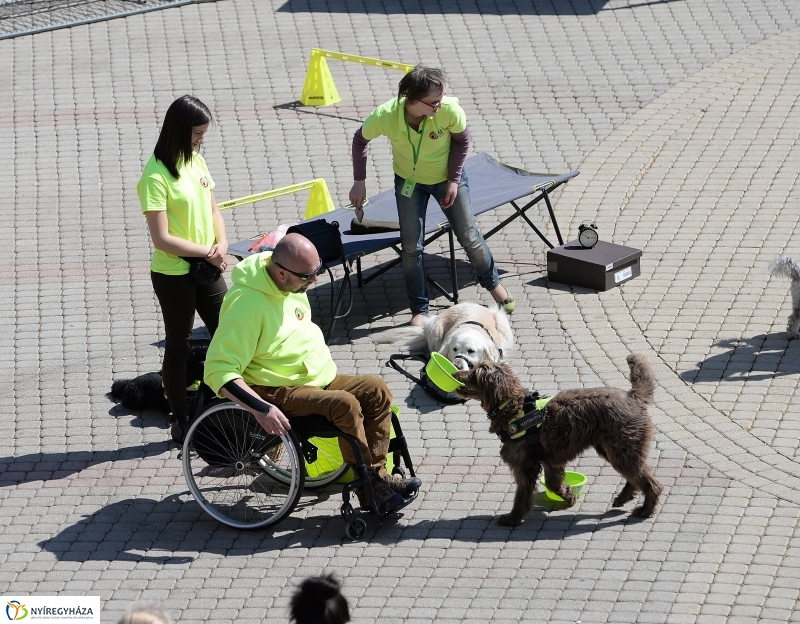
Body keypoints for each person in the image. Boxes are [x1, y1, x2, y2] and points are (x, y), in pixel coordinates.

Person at [203, 233, 422, 514]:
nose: (314, 280)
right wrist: (260, 409)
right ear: (281, 273)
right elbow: (219, 369)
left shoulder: (291, 286)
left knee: (376, 388)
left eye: (317, 272)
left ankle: (377, 478)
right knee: (345, 404)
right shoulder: (247, 306)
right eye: (308, 276)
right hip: (279, 389)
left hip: (317, 379)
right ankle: (369, 486)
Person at [349, 65, 515, 327]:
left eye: (441, 98)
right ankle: (419, 309)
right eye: (434, 102)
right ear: (413, 101)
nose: (440, 105)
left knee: (468, 236)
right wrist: (359, 182)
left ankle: (493, 284)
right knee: (412, 247)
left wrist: (453, 181)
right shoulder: (385, 115)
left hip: (447, 179)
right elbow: (360, 141)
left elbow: (462, 141)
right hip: (409, 181)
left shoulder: (449, 110)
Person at [138, 95, 229, 441]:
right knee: (179, 346)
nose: (201, 140)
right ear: (177, 130)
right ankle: (180, 419)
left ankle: (220, 402)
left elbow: (214, 211)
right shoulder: (155, 176)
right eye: (196, 134)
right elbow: (162, 239)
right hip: (173, 275)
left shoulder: (197, 161)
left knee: (230, 330)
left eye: (204, 133)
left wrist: (220, 244)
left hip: (207, 266)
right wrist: (208, 251)